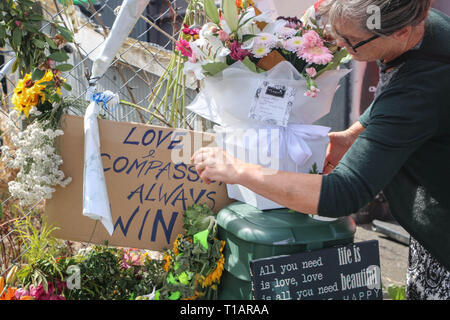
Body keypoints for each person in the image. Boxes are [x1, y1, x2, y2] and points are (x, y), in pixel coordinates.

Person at [191, 0, 450, 300]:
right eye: (335, 30)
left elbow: (342, 194)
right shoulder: (422, 25)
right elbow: (397, 95)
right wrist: (353, 135)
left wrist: (237, 170)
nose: (339, 43)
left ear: (401, 33)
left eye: (350, 42)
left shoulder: (421, 85)